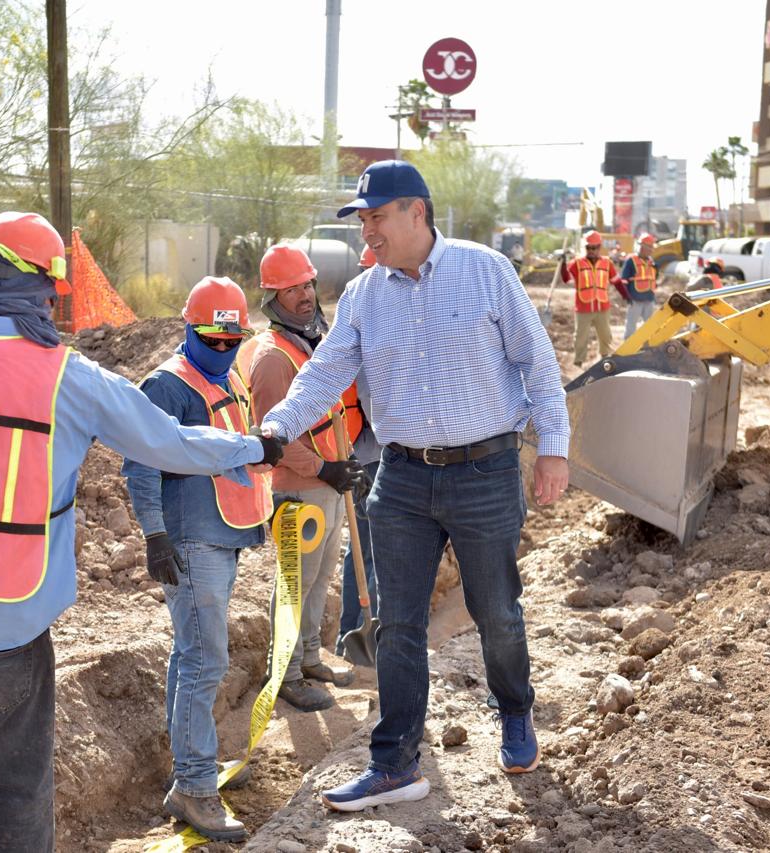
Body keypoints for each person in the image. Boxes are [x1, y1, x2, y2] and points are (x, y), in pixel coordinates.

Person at [0, 212, 283, 852]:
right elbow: (169, 443)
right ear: (45, 290)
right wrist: (253, 448)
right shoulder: (67, 377)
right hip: (7, 629)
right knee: (18, 798)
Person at [259, 160, 570, 812]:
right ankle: (395, 762)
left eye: (376, 216)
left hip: (485, 471)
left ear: (416, 213)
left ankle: (515, 709)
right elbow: (324, 372)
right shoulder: (363, 295)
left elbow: (537, 362)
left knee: (496, 610)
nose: (367, 230)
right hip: (400, 477)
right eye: (363, 219)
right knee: (396, 623)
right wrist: (278, 424)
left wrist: (553, 449)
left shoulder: (486, 271)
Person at [121, 276, 271, 842]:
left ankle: (193, 768)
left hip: (223, 534)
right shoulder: (167, 385)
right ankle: (195, 786)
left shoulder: (228, 375)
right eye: (214, 340)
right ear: (190, 330)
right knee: (204, 660)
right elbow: (140, 464)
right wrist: (154, 534)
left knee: (195, 656)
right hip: (190, 540)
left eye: (233, 342)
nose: (225, 349)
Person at [236, 244, 366, 713]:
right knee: (295, 584)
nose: (305, 295)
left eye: (307, 284)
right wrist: (322, 468)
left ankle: (309, 656)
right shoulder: (274, 358)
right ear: (273, 297)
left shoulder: (309, 344)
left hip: (327, 486)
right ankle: (286, 674)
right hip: (299, 488)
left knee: (318, 580)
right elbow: (270, 436)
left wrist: (338, 467)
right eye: (292, 289)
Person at [335, 245, 380, 657]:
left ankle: (359, 631)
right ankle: (359, 633)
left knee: (366, 547)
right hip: (369, 456)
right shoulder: (366, 326)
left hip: (369, 452)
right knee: (369, 547)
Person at [561, 231, 618, 366]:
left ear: (599, 247)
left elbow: (616, 280)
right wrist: (563, 263)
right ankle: (578, 362)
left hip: (602, 306)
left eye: (594, 247)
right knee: (581, 337)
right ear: (585, 247)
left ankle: (605, 359)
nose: (591, 250)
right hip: (583, 307)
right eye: (588, 247)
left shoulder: (607, 262)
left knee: (605, 335)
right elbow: (566, 279)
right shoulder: (577, 263)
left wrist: (626, 294)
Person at [619, 233, 659, 337]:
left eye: (652, 247)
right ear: (642, 247)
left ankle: (648, 345)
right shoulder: (631, 261)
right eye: (649, 247)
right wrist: (626, 296)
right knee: (631, 327)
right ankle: (628, 346)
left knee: (649, 327)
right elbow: (624, 280)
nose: (651, 250)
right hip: (635, 299)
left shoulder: (651, 262)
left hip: (649, 299)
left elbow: (654, 278)